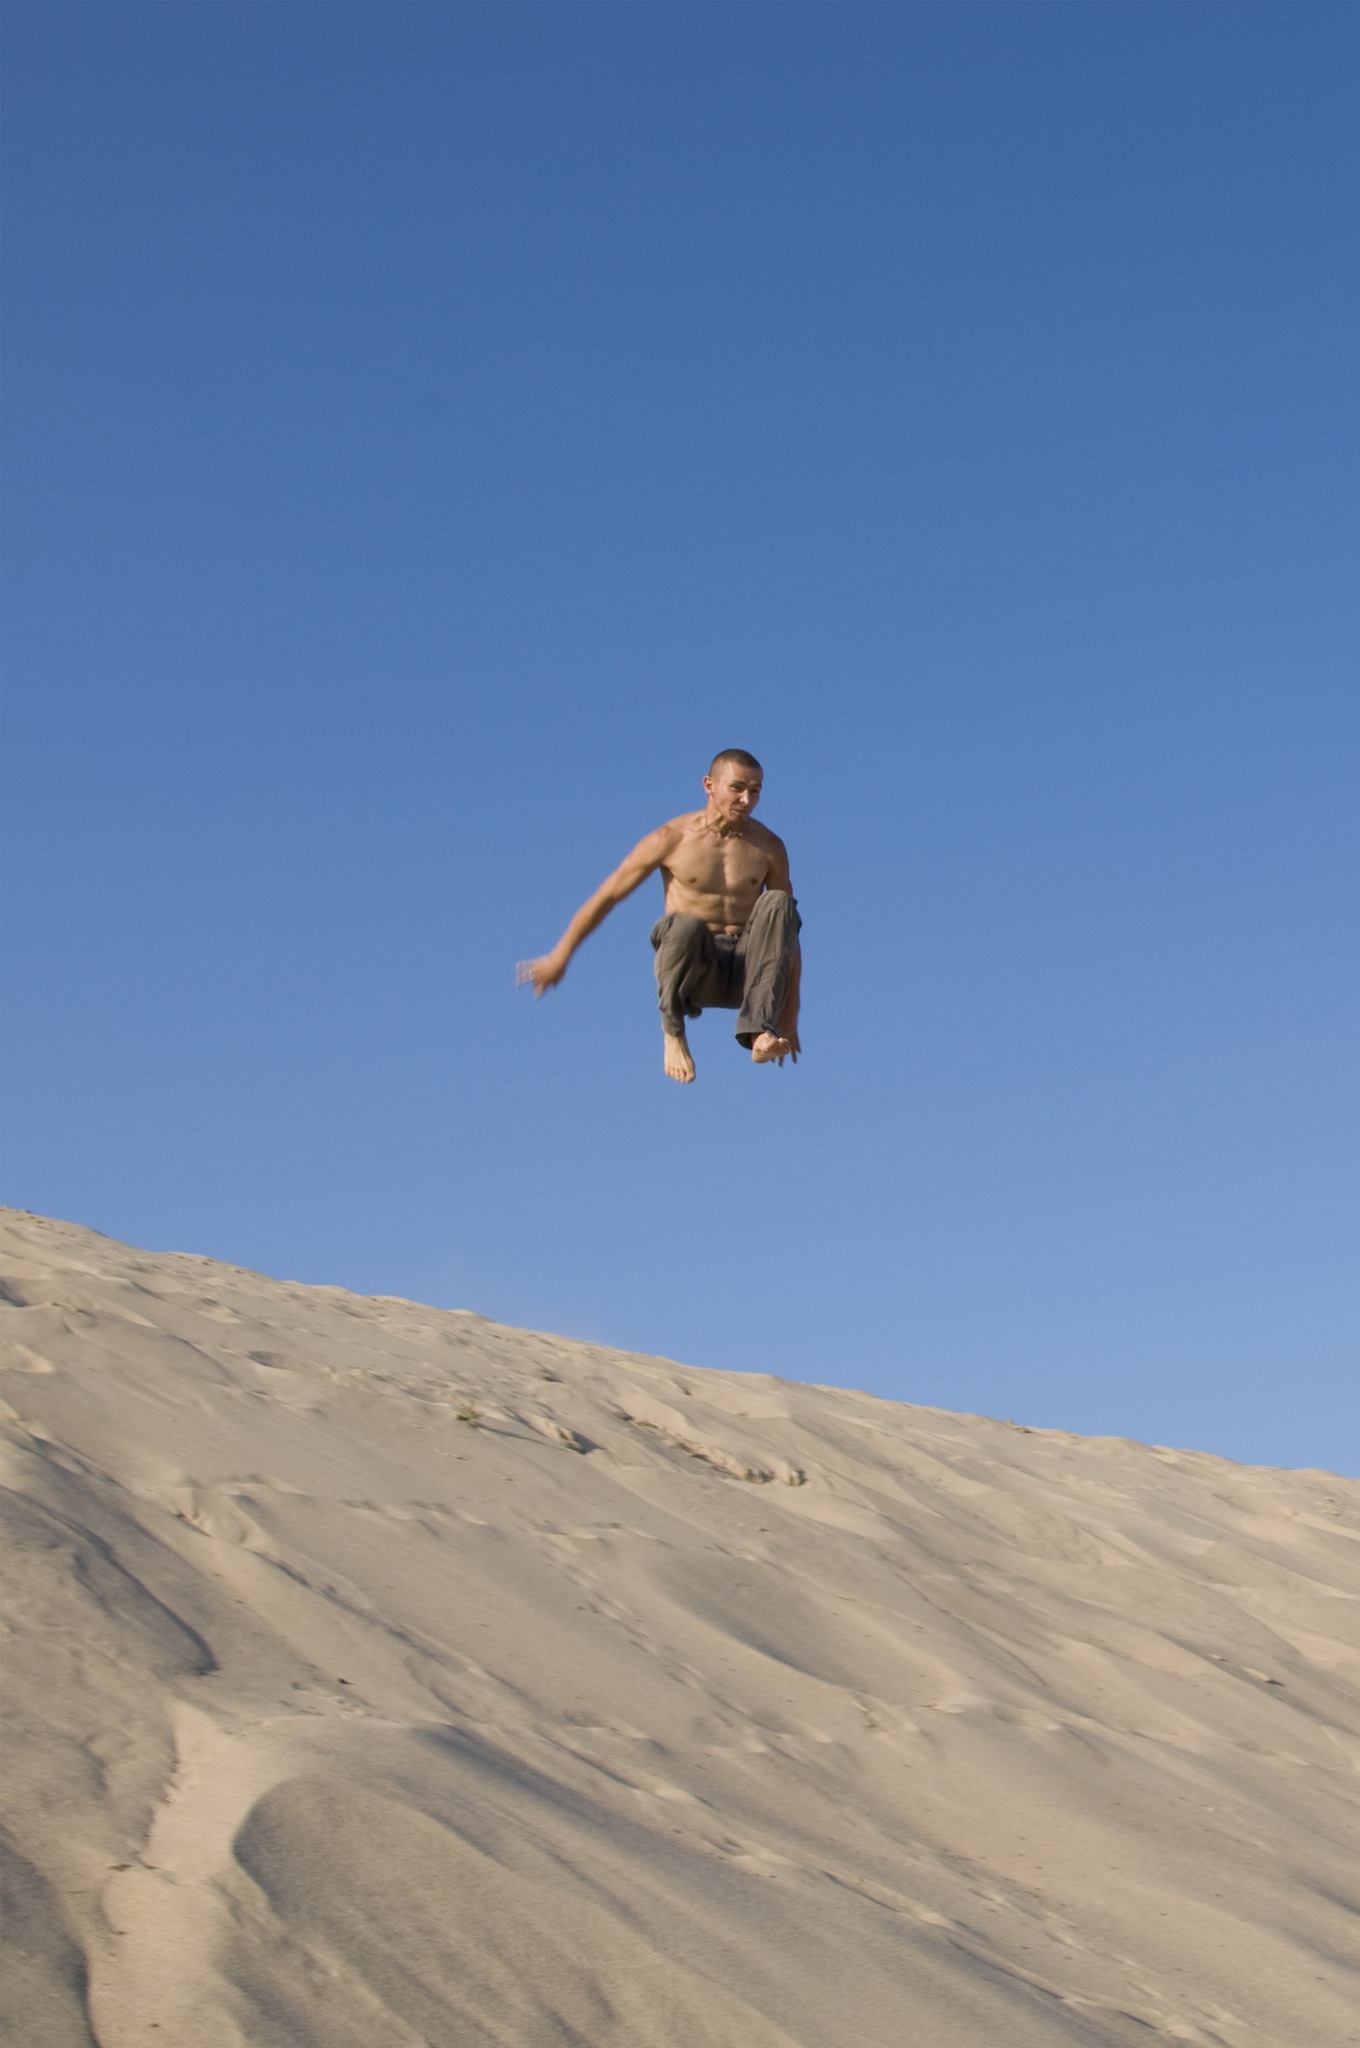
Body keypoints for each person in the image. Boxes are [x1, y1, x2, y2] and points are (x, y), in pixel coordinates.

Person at [517, 749, 801, 1084]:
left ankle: (760, 1031)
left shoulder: (769, 846)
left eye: (755, 791)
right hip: (696, 972)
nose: (746, 800)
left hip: (748, 973)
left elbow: (786, 935)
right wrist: (559, 957)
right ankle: (672, 1032)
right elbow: (607, 897)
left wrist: (789, 1013)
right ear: (709, 785)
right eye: (737, 788)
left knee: (780, 903)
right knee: (682, 924)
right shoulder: (672, 839)